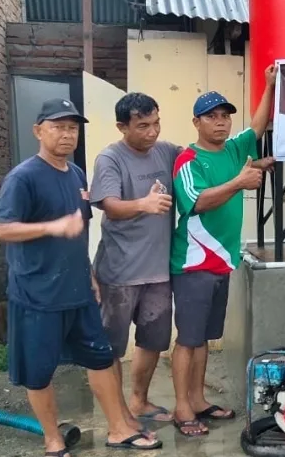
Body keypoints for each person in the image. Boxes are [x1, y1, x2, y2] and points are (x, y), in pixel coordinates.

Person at [0, 98, 162, 456]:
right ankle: (53, 440)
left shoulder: (76, 174)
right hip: (37, 295)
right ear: (39, 131)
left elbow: (80, 232)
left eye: (73, 128)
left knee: (100, 359)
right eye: (58, 127)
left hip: (79, 290)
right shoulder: (23, 178)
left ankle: (117, 429)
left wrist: (90, 275)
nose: (67, 135)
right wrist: (51, 226)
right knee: (39, 373)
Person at [170, 66, 277, 436]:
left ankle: (198, 400)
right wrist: (241, 181)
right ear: (196, 122)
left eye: (225, 116)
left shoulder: (233, 150)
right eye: (212, 117)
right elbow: (196, 202)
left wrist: (269, 84)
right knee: (187, 339)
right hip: (194, 264)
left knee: (204, 338)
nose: (221, 123)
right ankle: (182, 408)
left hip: (222, 263)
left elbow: (258, 127)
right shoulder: (188, 160)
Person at [88, 92, 181, 426]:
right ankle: (120, 414)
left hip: (158, 271)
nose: (152, 132)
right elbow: (108, 204)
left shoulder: (167, 151)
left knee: (153, 341)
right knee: (111, 347)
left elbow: (201, 160)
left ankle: (138, 401)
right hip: (119, 272)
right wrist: (143, 204)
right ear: (122, 126)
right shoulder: (110, 158)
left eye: (156, 123)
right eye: (143, 126)